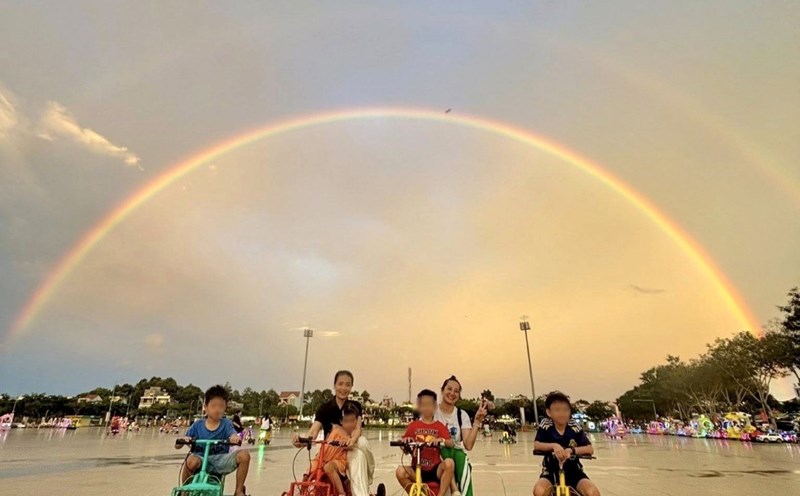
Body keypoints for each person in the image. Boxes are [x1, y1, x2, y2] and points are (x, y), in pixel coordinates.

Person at [293, 370, 375, 496]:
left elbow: (358, 428)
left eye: (348, 385)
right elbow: (314, 431)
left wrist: (351, 440)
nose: (343, 388)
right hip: (330, 450)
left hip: (349, 447)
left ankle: (367, 480)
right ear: (334, 385)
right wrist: (302, 441)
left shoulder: (355, 406)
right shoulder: (325, 408)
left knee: (361, 444)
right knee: (310, 471)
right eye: (340, 384)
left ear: (351, 387)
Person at [178, 385, 251, 496]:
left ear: (225, 407)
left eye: (221, 406)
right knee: (191, 460)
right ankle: (185, 490)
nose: (217, 410)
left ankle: (238, 490)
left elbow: (233, 433)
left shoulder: (226, 424)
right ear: (206, 407)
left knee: (244, 456)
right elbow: (178, 445)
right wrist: (185, 440)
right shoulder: (197, 425)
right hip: (200, 459)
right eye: (213, 406)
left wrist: (234, 437)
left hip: (220, 461)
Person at [533, 392, 600, 496]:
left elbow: (589, 449)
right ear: (549, 412)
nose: (562, 413)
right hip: (551, 472)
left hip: (574, 472)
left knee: (593, 492)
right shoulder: (546, 425)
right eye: (557, 410)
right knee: (539, 491)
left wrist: (571, 450)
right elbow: (537, 444)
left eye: (565, 410)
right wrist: (553, 446)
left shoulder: (574, 426)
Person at [435, 375, 490, 496]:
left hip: (456, 459)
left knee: (459, 456)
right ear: (442, 390)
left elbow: (468, 445)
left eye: (456, 391)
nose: (452, 393)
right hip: (434, 461)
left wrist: (477, 421)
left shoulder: (461, 415)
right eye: (449, 389)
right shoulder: (432, 412)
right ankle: (455, 489)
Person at [396, 389, 456, 495]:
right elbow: (405, 449)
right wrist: (406, 442)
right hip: (417, 468)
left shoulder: (439, 426)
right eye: (423, 404)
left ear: (435, 407)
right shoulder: (413, 426)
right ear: (419, 407)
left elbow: (450, 442)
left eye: (429, 404)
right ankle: (417, 494)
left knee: (449, 463)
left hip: (434, 469)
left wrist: (440, 440)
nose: (426, 407)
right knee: (400, 471)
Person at [312, 401, 361, 496]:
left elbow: (354, 439)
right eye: (346, 421)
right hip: (325, 456)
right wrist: (306, 440)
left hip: (338, 460)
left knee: (328, 467)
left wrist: (348, 442)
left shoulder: (351, 435)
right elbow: (314, 433)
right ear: (341, 421)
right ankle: (304, 488)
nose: (349, 424)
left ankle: (341, 493)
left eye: (352, 421)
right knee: (310, 469)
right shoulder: (335, 429)